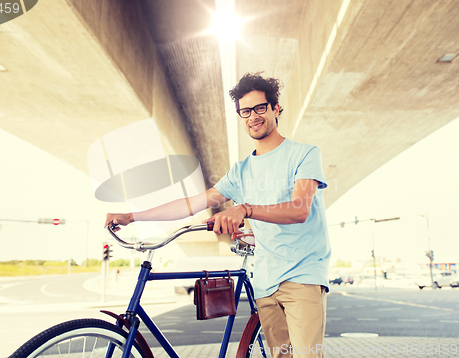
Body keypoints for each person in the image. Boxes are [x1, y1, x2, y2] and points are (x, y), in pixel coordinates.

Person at [105, 72, 330, 358]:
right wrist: (133, 216)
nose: (253, 117)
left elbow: (300, 210)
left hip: (303, 274)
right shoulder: (240, 172)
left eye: (260, 108)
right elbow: (191, 203)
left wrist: (244, 209)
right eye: (245, 111)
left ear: (275, 109)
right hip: (264, 279)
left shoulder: (305, 154)